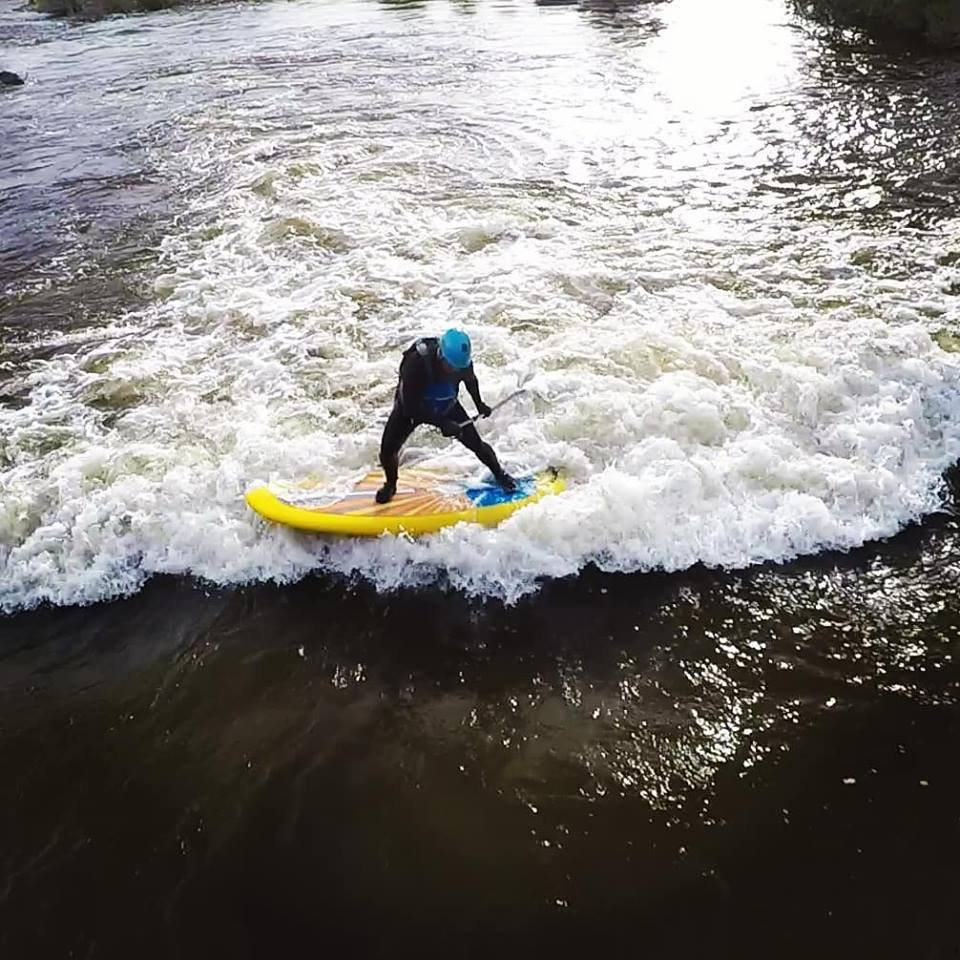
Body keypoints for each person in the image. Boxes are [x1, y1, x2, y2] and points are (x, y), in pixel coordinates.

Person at [376, 329, 516, 504]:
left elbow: (471, 381)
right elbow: (409, 408)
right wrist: (442, 423)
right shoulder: (416, 364)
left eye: (459, 368)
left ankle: (499, 474)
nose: (454, 372)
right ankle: (390, 485)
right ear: (440, 355)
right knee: (387, 450)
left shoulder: (462, 363)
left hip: (445, 403)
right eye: (451, 367)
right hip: (413, 406)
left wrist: (479, 404)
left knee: (476, 444)